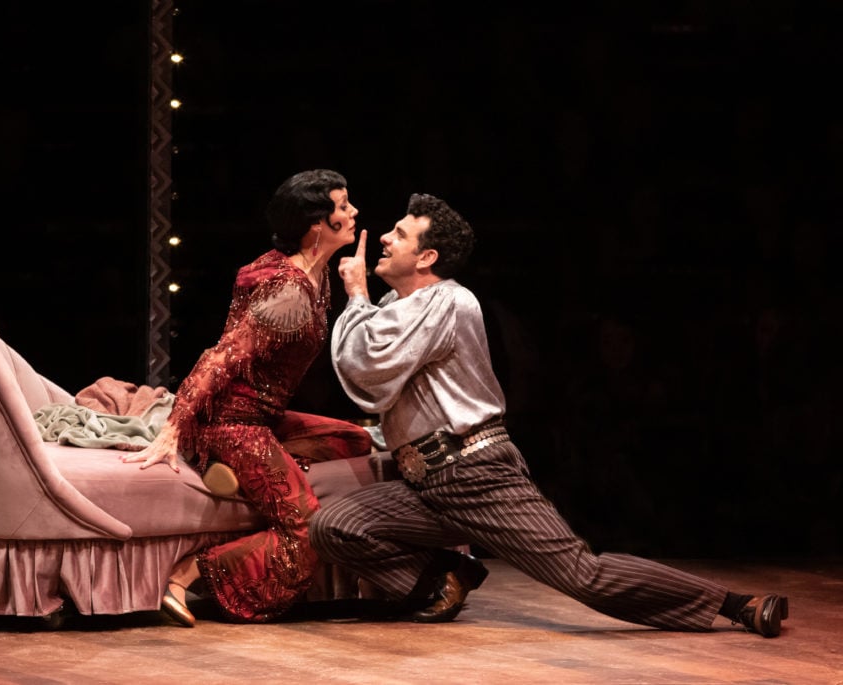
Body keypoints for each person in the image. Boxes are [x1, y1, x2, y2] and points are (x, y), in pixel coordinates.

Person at [309, 192, 789, 637]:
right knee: (336, 525)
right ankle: (445, 577)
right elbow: (370, 361)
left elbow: (365, 365)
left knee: (584, 574)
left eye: (399, 233)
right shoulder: (398, 305)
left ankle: (733, 603)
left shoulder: (450, 301)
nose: (386, 238)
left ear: (428, 257)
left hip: (477, 475)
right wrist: (364, 301)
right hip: (427, 483)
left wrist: (355, 295)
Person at [123, 169, 371, 625]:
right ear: (317, 225)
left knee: (354, 442)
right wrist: (173, 430)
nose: (353, 212)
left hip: (264, 416)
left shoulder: (316, 276)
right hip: (233, 424)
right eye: (342, 205)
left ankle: (240, 474)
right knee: (304, 530)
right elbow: (220, 358)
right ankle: (187, 574)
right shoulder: (290, 291)